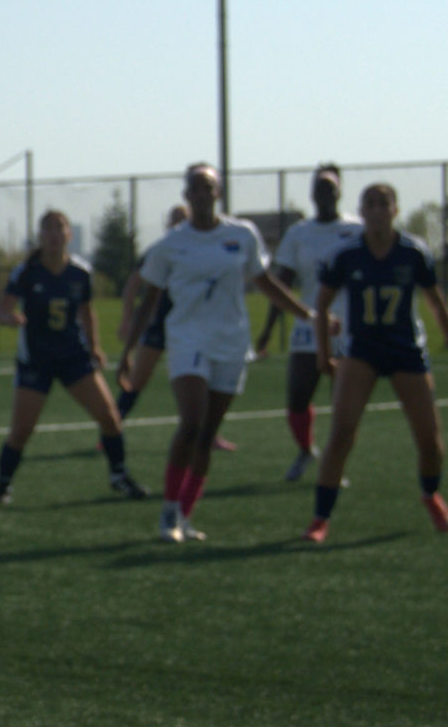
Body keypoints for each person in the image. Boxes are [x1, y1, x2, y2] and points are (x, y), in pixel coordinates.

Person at [123, 164, 312, 543]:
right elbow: (150, 298)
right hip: (187, 339)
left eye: (209, 187)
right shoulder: (170, 244)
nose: (202, 193)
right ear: (186, 196)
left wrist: (308, 315)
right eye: (195, 187)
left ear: (219, 193)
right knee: (191, 422)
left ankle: (185, 517)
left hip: (231, 342)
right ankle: (167, 513)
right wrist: (130, 348)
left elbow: (265, 283)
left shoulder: (241, 235)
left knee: (208, 433)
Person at [302, 183, 448, 542]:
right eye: (370, 204)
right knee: (341, 433)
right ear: (361, 211)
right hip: (361, 350)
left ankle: (431, 494)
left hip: (405, 349)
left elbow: (436, 303)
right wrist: (324, 353)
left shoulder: (413, 252)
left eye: (385, 203)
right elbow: (321, 304)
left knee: (430, 439)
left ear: (395, 210)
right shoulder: (346, 253)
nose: (378, 210)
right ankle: (320, 517)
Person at [0, 211, 145, 505]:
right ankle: (2, 486)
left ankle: (119, 475)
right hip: (36, 359)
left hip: (73, 356)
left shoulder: (80, 272)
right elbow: (1, 310)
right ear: (40, 236)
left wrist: (95, 346)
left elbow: (87, 311)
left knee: (110, 417)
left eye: (59, 228)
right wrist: (10, 318)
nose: (53, 234)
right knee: (21, 430)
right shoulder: (25, 271)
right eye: (47, 229)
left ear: (68, 235)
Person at [256, 164, 364, 482]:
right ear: (311, 194)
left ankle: (335, 464)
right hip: (309, 326)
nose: (324, 194)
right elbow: (282, 286)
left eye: (330, 188)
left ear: (340, 191)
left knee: (342, 404)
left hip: (348, 328)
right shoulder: (299, 233)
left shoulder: (357, 230)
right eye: (319, 188)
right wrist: (266, 331)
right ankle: (306, 450)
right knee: (297, 398)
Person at [111, 203, 188, 425]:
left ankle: (209, 435)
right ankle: (112, 427)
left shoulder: (200, 250)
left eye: (183, 219)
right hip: (159, 322)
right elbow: (132, 286)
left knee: (200, 380)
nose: (179, 225)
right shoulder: (159, 249)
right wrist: (127, 320)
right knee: (136, 380)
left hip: (188, 325)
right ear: (168, 224)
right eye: (175, 220)